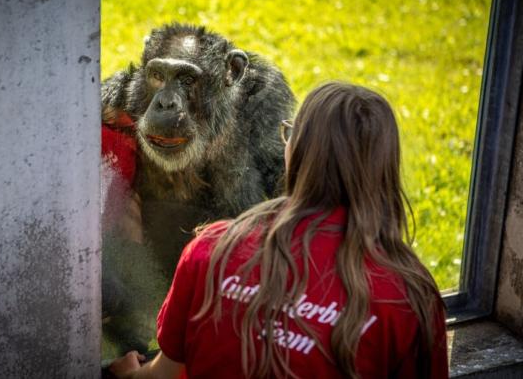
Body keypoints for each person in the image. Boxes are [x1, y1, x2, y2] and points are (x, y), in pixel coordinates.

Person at [109, 82, 448, 378]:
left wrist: (129, 374)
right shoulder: (409, 294)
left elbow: (166, 373)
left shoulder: (212, 250)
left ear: (297, 151)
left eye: (291, 133)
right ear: (384, 168)